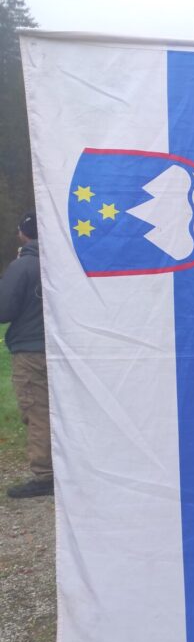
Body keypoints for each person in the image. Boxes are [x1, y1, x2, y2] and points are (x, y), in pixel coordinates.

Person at [0, 213, 52, 498]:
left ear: (24, 234)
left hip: (31, 351)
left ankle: (45, 474)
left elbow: (4, 310)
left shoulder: (22, 266)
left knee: (37, 410)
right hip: (62, 349)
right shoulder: (62, 263)